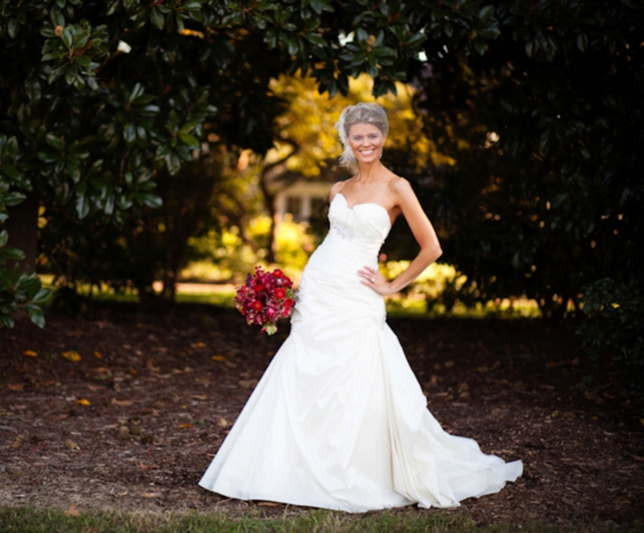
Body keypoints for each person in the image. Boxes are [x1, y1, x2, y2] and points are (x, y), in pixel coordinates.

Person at [199, 103, 523, 512]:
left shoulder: (397, 187)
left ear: (383, 139)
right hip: (318, 288)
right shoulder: (338, 189)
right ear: (347, 141)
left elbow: (432, 247)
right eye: (358, 137)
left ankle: (349, 469)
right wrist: (294, 286)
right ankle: (286, 468)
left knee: (354, 374)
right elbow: (332, 242)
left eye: (373, 136)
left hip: (357, 296)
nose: (366, 143)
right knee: (304, 368)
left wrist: (392, 286)